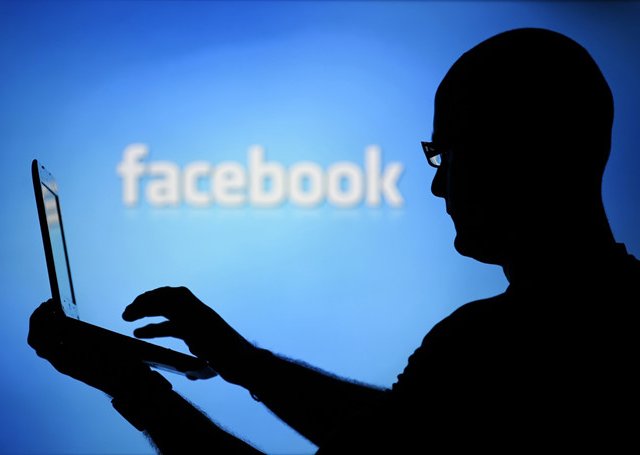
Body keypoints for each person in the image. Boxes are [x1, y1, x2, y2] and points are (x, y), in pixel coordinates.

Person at [28, 27, 639, 453]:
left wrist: (136, 390)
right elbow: (393, 436)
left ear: (517, 153)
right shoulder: (597, 322)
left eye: (445, 154)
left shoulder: (485, 347)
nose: (438, 186)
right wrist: (238, 359)